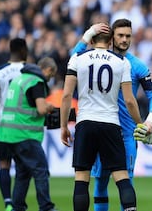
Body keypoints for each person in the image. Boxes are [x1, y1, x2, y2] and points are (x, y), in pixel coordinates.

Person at [72, 19, 152, 211]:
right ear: (112, 37)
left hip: (127, 134)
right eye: (120, 35)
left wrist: (149, 120)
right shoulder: (105, 60)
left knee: (126, 180)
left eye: (128, 36)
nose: (124, 39)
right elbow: (73, 60)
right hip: (105, 128)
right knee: (101, 182)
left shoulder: (136, 65)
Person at [60, 24, 143, 211]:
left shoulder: (77, 58)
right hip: (111, 124)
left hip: (85, 123)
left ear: (91, 40)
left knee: (82, 179)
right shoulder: (122, 62)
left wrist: (64, 126)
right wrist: (140, 125)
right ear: (111, 40)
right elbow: (130, 100)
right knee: (122, 177)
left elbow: (66, 96)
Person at [0, 57, 58, 211]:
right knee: (41, 170)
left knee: (23, 172)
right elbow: (42, 109)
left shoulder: (19, 79)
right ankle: (46, 207)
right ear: (48, 70)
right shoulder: (36, 81)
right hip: (24, 133)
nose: (49, 79)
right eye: (51, 75)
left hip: (6, 134)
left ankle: (17, 207)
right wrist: (49, 107)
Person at [0, 38, 27, 211]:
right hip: (24, 127)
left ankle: (8, 202)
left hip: (3, 126)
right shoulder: (29, 71)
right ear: (24, 50)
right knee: (23, 168)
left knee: (4, 165)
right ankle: (18, 203)